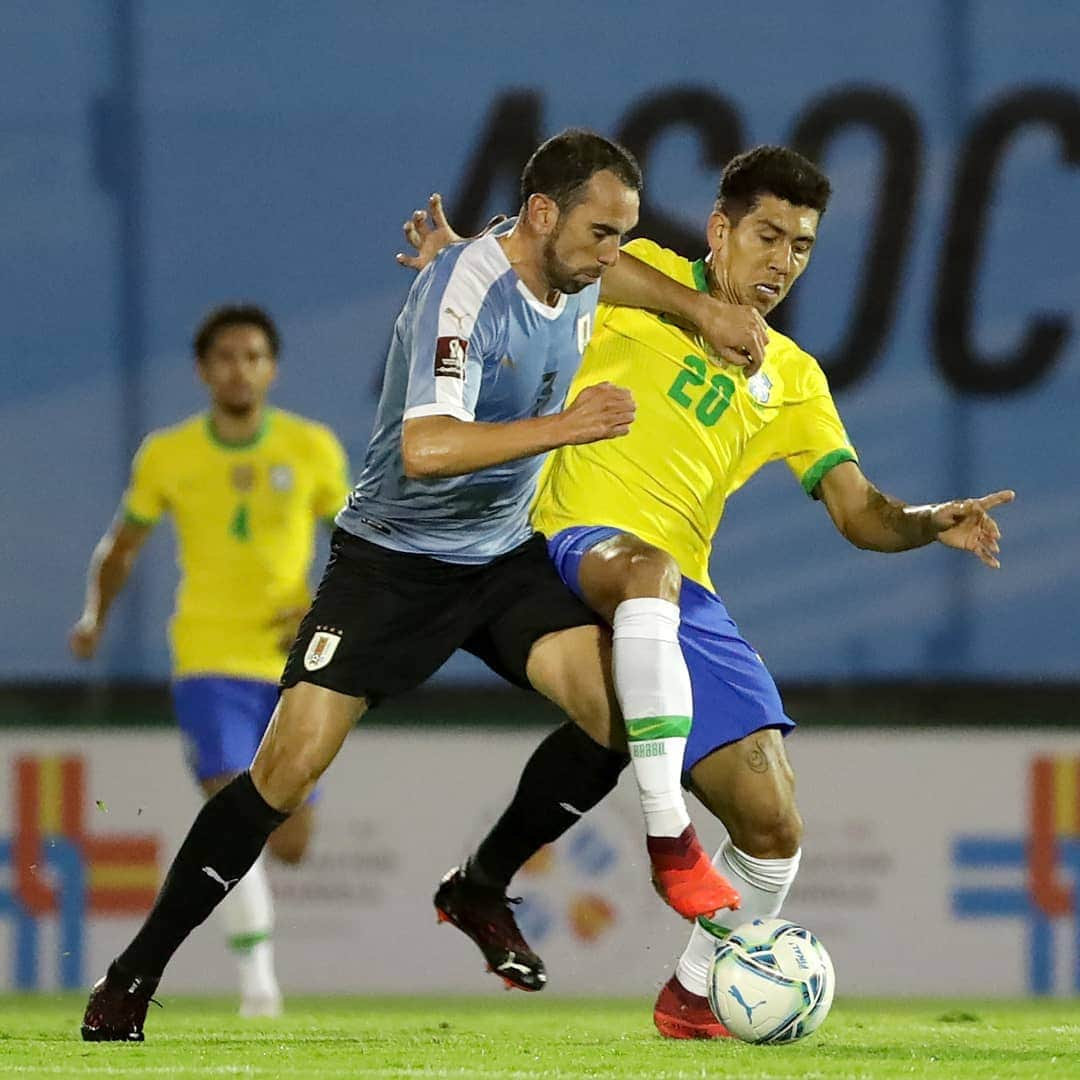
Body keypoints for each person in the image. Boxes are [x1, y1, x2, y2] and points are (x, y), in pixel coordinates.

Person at [79, 128, 770, 1042]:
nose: (615, 254)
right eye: (602, 233)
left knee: (619, 712)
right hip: (394, 564)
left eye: (623, 233)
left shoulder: (570, 263)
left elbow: (623, 278)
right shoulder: (463, 291)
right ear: (540, 215)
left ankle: (479, 885)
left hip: (498, 556)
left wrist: (702, 312)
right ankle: (133, 975)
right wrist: (567, 426)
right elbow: (426, 448)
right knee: (280, 780)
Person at [399, 145, 1014, 1035]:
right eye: (767, 235)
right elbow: (552, 267)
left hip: (681, 590)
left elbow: (859, 512)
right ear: (720, 229)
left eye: (801, 248)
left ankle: (691, 996)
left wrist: (926, 521)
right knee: (636, 601)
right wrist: (466, 259)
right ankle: (663, 837)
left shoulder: (793, 377)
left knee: (774, 827)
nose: (781, 262)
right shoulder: (635, 273)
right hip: (570, 541)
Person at [69, 304, 350, 1018]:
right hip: (209, 657)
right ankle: (259, 986)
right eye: (225, 357)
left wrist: (323, 611)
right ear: (202, 370)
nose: (239, 369)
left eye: (253, 356)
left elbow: (355, 549)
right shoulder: (168, 454)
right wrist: (94, 617)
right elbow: (122, 545)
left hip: (291, 665)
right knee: (235, 807)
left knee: (288, 842)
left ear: (273, 367)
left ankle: (249, 970)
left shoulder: (312, 448)